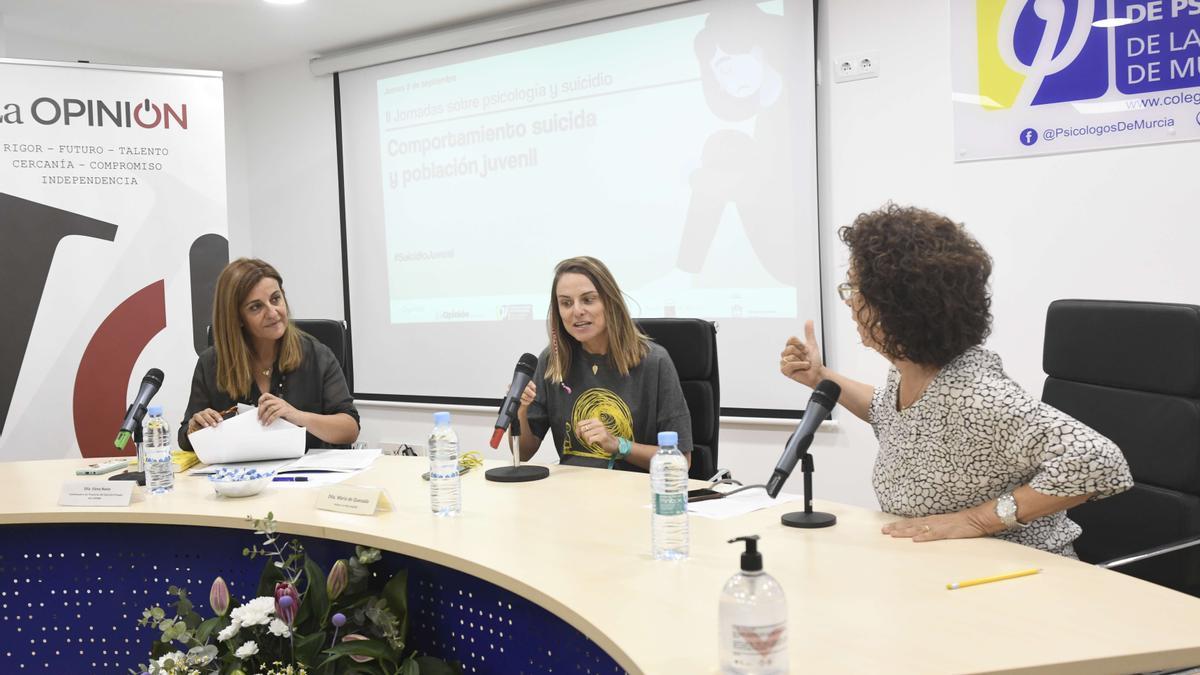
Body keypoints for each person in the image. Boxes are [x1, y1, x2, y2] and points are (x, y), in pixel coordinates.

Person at [779, 204, 1132, 557]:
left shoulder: (976, 395)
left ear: (896, 307)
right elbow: (888, 412)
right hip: (942, 567)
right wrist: (821, 377)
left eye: (855, 289)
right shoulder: (915, 373)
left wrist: (977, 520)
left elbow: (1098, 460)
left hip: (1015, 575)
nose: (850, 303)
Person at [516, 256, 693, 471]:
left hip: (633, 495)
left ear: (610, 302)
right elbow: (524, 452)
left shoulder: (654, 362)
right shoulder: (552, 360)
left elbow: (681, 461)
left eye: (588, 300)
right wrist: (520, 410)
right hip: (571, 494)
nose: (577, 311)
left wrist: (619, 445)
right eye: (566, 303)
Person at [179, 258, 359, 452]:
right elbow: (185, 437)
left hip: (307, 476)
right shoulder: (212, 363)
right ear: (237, 318)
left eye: (275, 299)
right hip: (239, 476)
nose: (272, 313)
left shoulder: (316, 355)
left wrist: (296, 416)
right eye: (256, 307)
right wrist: (194, 429)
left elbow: (350, 428)